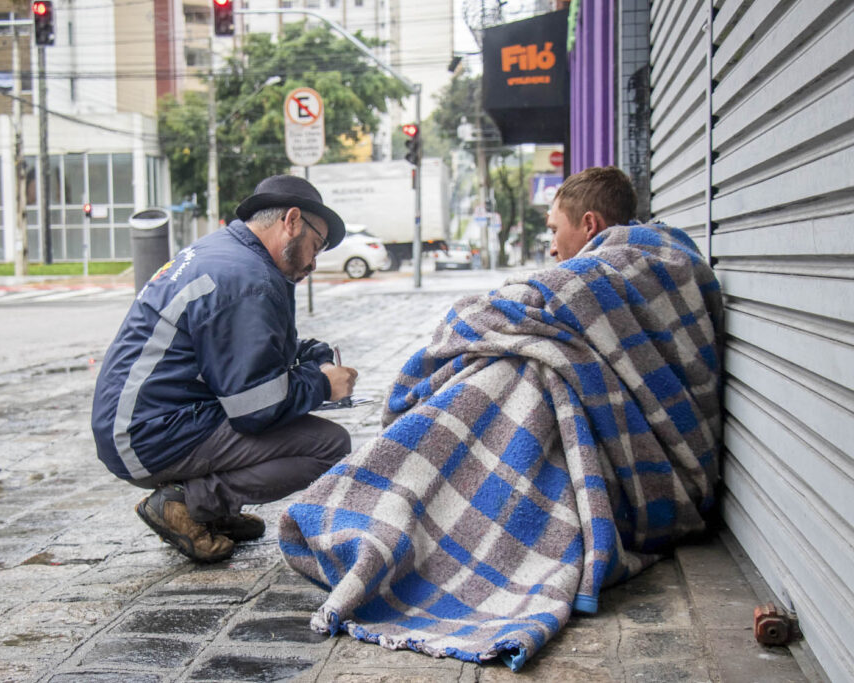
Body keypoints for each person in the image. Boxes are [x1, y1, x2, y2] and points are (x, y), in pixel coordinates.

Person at [278, 166, 724, 669]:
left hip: (645, 465)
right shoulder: (665, 264)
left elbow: (502, 308)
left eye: (555, 230)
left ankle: (406, 504)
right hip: (657, 455)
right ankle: (424, 501)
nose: (553, 245)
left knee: (524, 374)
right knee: (534, 363)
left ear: (591, 225)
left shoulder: (615, 268)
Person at [91, 175, 359, 563]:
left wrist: (307, 354)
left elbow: (242, 350)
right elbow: (255, 409)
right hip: (146, 436)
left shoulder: (228, 254)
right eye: (317, 245)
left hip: (138, 422)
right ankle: (189, 503)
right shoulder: (246, 278)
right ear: (293, 221)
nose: (315, 263)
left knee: (290, 421)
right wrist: (321, 385)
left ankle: (212, 512)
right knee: (329, 445)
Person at [546, 165, 638, 262]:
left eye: (554, 231)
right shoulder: (650, 260)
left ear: (589, 225)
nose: (553, 250)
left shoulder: (579, 276)